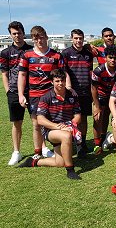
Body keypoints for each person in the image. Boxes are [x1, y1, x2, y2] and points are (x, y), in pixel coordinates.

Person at [18, 69, 82, 180]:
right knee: (66, 135)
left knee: (59, 162)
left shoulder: (72, 96)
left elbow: (78, 116)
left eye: (62, 80)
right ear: (52, 82)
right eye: (57, 81)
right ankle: (70, 170)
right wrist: (57, 126)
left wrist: (71, 124)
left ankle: (33, 162)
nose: (60, 83)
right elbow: (40, 119)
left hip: (67, 127)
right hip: (51, 131)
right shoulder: (46, 97)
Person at [18, 25, 63, 159]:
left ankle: (56, 149)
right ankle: (38, 152)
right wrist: (21, 95)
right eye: (36, 39)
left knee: (54, 122)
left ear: (47, 37)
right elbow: (22, 76)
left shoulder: (56, 55)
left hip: (51, 95)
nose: (39, 41)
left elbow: (62, 75)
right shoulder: (27, 55)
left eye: (42, 38)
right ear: (32, 40)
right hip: (35, 96)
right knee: (36, 124)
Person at [0, 21, 33, 165]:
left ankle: (43, 148)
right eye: (14, 33)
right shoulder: (5, 53)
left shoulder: (31, 50)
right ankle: (16, 152)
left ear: (23, 33)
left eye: (19, 33)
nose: (17, 36)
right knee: (17, 123)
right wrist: (8, 91)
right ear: (10, 35)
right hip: (14, 92)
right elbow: (4, 74)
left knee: (38, 121)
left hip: (32, 90)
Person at [61, 29, 94, 158]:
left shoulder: (88, 54)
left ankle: (83, 142)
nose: (78, 40)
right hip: (71, 92)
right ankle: (74, 143)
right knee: (72, 119)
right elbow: (64, 72)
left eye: (80, 38)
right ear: (71, 39)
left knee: (84, 118)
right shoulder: (66, 53)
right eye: (76, 38)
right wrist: (68, 87)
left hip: (86, 91)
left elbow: (90, 72)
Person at [91, 45, 116, 155]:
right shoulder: (98, 70)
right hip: (102, 96)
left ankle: (108, 138)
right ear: (106, 57)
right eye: (110, 57)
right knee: (98, 118)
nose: (113, 60)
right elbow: (93, 88)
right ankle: (97, 144)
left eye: (115, 58)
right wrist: (96, 105)